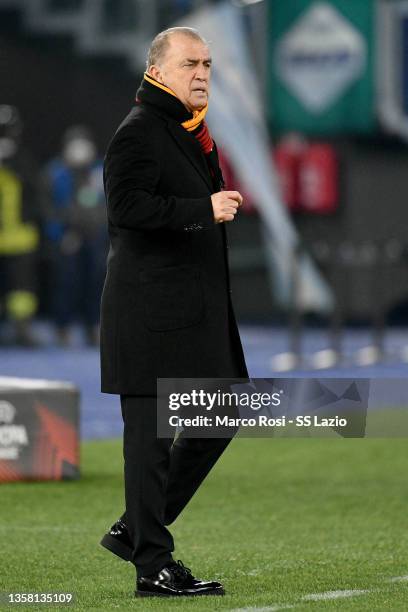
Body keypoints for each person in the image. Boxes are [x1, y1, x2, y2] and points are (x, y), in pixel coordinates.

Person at [99, 26, 248, 598]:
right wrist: (201, 208)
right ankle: (153, 566)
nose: (202, 74)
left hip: (188, 312)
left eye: (207, 63)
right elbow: (126, 207)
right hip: (149, 314)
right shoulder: (139, 131)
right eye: (190, 64)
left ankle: (138, 530)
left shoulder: (184, 129)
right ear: (158, 71)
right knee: (149, 441)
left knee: (226, 406)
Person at [42, 126, 107, 346]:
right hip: (68, 238)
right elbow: (48, 208)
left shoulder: (100, 170)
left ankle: (94, 327)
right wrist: (60, 236)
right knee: (67, 284)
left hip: (96, 238)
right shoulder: (55, 173)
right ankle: (62, 328)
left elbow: (109, 204)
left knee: (96, 283)